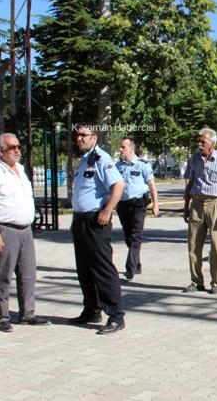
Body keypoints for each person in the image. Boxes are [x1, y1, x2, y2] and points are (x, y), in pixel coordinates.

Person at [0, 133, 50, 332]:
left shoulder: (21, 169)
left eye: (18, 146)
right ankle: (2, 316)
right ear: (1, 151)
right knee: (4, 275)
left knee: (28, 274)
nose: (17, 151)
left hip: (25, 229)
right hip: (5, 229)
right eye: (12, 147)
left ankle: (28, 313)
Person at [68, 125, 126, 334]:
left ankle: (116, 315)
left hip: (96, 220)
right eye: (78, 135)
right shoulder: (85, 160)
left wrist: (107, 210)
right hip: (81, 220)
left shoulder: (102, 158)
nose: (79, 138)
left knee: (102, 268)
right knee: (84, 268)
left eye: (84, 135)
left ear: (94, 137)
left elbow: (118, 185)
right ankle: (92, 310)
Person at [182, 127, 217, 295]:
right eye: (198, 141)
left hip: (216, 204)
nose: (199, 144)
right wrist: (186, 207)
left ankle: (216, 283)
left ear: (212, 143)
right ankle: (196, 282)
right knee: (193, 245)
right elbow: (190, 183)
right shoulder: (194, 158)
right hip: (196, 204)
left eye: (202, 141)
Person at [115, 137, 159, 281]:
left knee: (135, 236)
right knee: (128, 237)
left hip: (138, 204)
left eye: (123, 147)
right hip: (123, 205)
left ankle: (130, 268)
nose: (120, 149)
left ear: (131, 149)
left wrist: (156, 204)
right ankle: (137, 264)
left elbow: (151, 184)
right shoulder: (118, 166)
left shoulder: (142, 165)